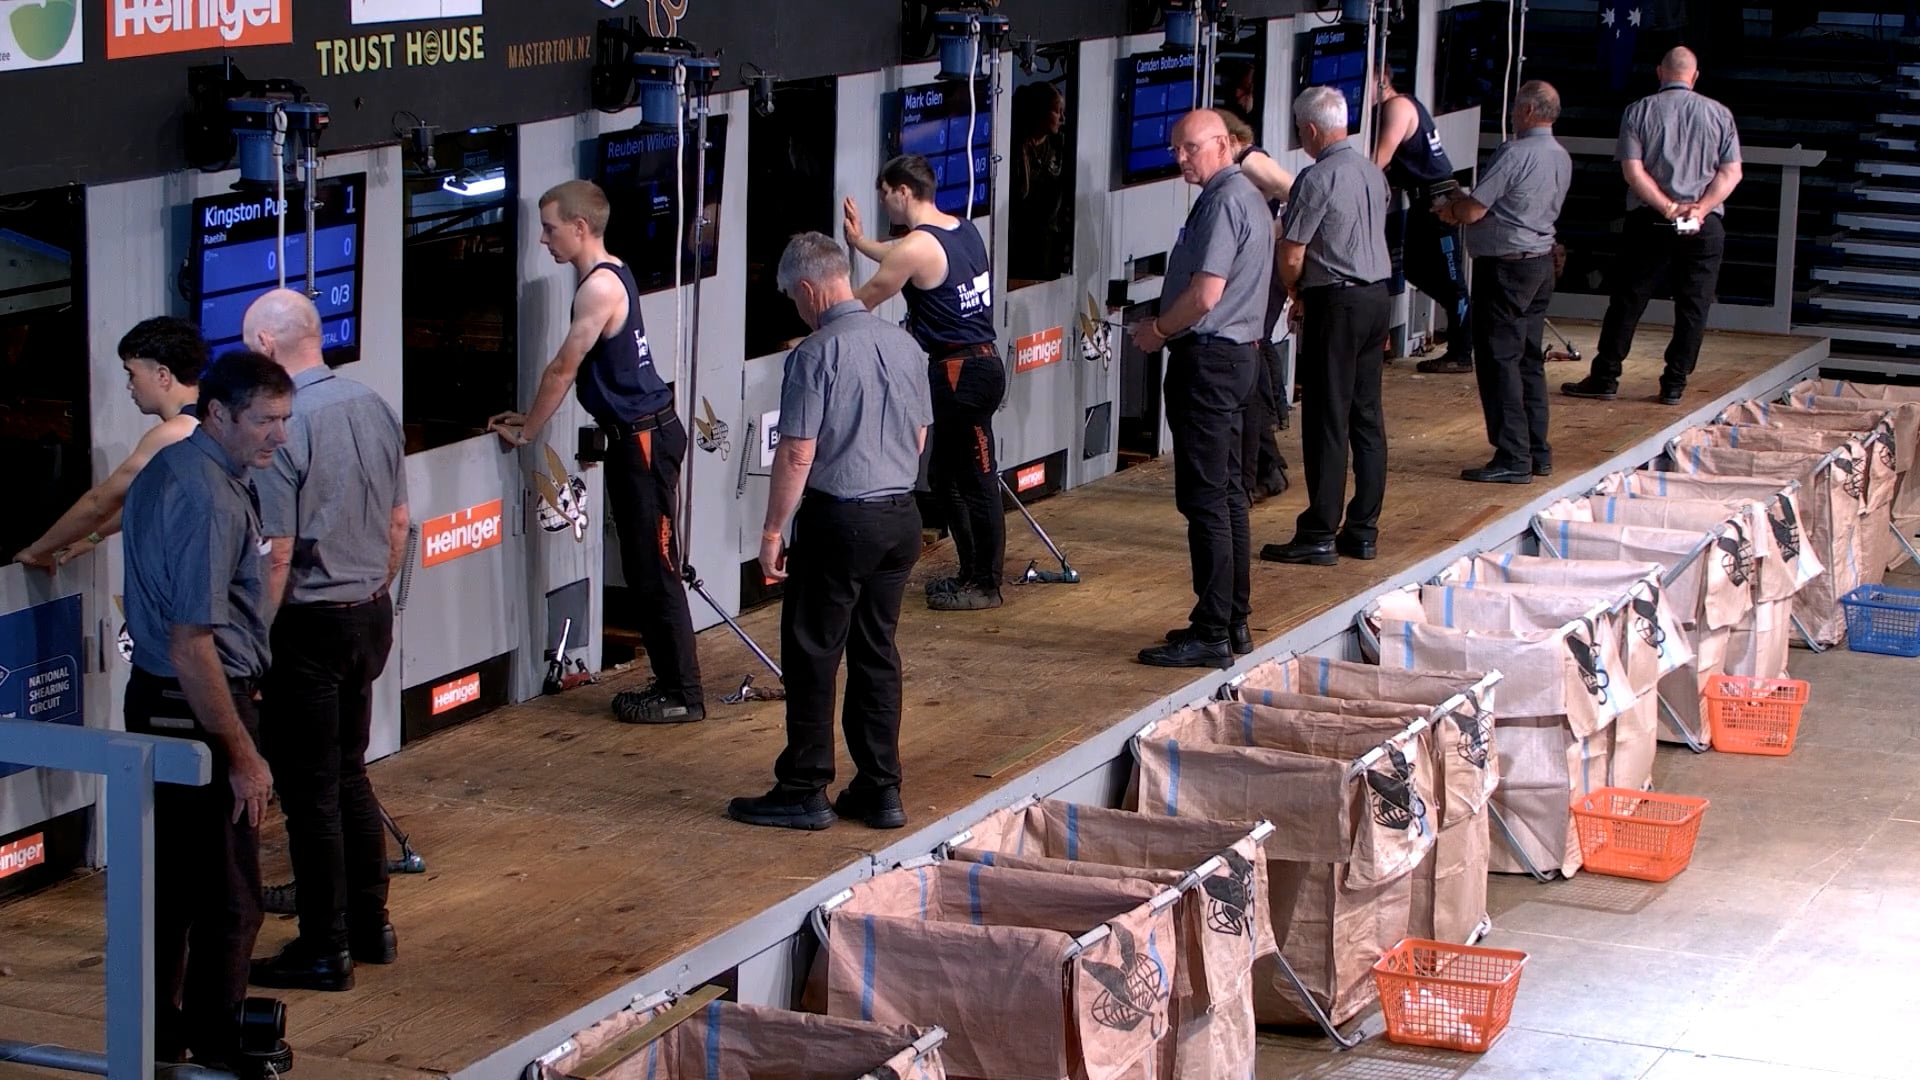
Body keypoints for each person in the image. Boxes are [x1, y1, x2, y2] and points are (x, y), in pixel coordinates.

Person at [727, 233, 932, 831]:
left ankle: (803, 787)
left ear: (811, 288)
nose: (796, 305)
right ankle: (880, 789)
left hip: (840, 520)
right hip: (900, 519)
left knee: (814, 652)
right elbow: (920, 438)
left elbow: (796, 452)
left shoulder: (815, 354)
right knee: (877, 652)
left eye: (793, 296)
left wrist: (771, 533)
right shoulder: (903, 343)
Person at [120, 350, 289, 1071]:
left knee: (175, 892)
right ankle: (218, 1048)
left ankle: (159, 1037)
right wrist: (244, 756)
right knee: (230, 898)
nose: (277, 437)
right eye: (264, 421)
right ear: (217, 412)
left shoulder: (177, 469)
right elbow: (193, 646)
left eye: (285, 420)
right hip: (197, 707)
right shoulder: (211, 501)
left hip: (164, 700)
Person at [239, 290, 408, 993]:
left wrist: (253, 643)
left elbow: (276, 553)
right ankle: (371, 926)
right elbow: (400, 521)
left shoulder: (283, 425)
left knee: (312, 794)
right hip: (370, 611)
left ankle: (324, 947)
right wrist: (372, 594)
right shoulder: (372, 404)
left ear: (267, 348)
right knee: (349, 773)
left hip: (309, 624)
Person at [491, 179, 706, 724]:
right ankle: (671, 683)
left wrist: (528, 430)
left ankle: (683, 694)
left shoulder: (598, 288)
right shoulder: (608, 274)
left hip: (644, 439)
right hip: (632, 436)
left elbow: (563, 368)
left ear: (580, 227)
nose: (543, 240)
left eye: (550, 228)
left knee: (655, 568)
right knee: (641, 567)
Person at [1128, 109, 1273, 669]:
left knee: (1207, 497)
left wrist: (1158, 330)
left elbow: (1206, 294)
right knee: (1231, 493)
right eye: (1176, 149)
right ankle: (1230, 620)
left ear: (1224, 145)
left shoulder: (1222, 201)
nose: (1180, 158)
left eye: (1189, 148)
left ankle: (1213, 630)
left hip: (1209, 362)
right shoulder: (1248, 197)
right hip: (1239, 360)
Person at [843, 155, 1006, 613]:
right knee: (946, 477)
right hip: (975, 367)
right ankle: (971, 574)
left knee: (976, 481)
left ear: (901, 191)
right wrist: (859, 243)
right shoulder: (962, 228)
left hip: (960, 374)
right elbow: (904, 256)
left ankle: (986, 584)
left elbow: (868, 298)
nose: (885, 205)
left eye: (884, 196)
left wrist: (818, 323)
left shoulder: (916, 245)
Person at [1564, 46, 1742, 406]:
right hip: (1704, 225)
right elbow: (1731, 172)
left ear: (1660, 72)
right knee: (1694, 308)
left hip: (1650, 220)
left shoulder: (1638, 111)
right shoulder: (1720, 114)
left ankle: (1606, 376)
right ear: (1694, 76)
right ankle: (1674, 384)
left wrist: (1668, 207)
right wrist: (1701, 209)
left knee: (1628, 301)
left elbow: (1632, 171)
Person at [1262, 86, 1393, 568]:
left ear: (1312, 130)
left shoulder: (1316, 179)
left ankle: (1319, 530)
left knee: (1326, 418)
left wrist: (1295, 294)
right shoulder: (1371, 173)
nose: (1301, 138)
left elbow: (1292, 251)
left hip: (1336, 304)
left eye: (1300, 131)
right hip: (1377, 298)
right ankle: (1362, 530)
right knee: (1366, 416)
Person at [1438, 81, 1572, 484]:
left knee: (1500, 362)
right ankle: (1536, 451)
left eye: (1516, 108)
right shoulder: (1561, 155)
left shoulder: (1515, 153)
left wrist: (1451, 209)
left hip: (1507, 269)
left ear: (1528, 111)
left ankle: (1512, 455)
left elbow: (1476, 210)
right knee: (1529, 359)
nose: (1512, 115)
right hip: (1540, 264)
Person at [12, 317, 205, 571]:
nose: (129, 386)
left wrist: (38, 550)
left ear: (162, 375)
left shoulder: (173, 434)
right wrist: (93, 536)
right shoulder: (207, 420)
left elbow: (99, 503)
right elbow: (145, 500)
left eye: (131, 373)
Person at [1373, 64, 1471, 375]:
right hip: (1421, 200)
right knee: (1414, 269)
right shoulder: (1403, 104)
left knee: (1453, 282)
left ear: (1381, 80)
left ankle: (1461, 350)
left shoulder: (1397, 107)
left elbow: (1380, 160)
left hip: (1437, 200)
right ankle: (1462, 322)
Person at [1221, 111, 1295, 502]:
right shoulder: (1235, 171)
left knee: (1253, 365)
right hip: (1257, 276)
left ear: (1230, 138)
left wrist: (1270, 237)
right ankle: (1268, 465)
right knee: (1256, 363)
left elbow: (1300, 193)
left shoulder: (1250, 160)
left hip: (1265, 277)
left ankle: (1256, 471)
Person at [1009, 80, 1071, 283]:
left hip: (1050, 244)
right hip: (1020, 244)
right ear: (1040, 113)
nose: (1062, 118)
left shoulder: (1061, 145)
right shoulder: (1014, 148)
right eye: (1057, 112)